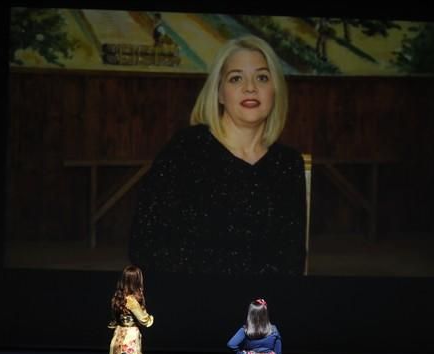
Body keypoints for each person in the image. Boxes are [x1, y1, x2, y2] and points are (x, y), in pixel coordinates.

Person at [129, 35, 306, 276]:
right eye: (236, 78)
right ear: (220, 93)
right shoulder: (185, 150)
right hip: (191, 301)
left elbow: (292, 258)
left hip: (259, 306)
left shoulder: (288, 163)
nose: (250, 87)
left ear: (275, 90)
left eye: (262, 77)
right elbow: (145, 244)